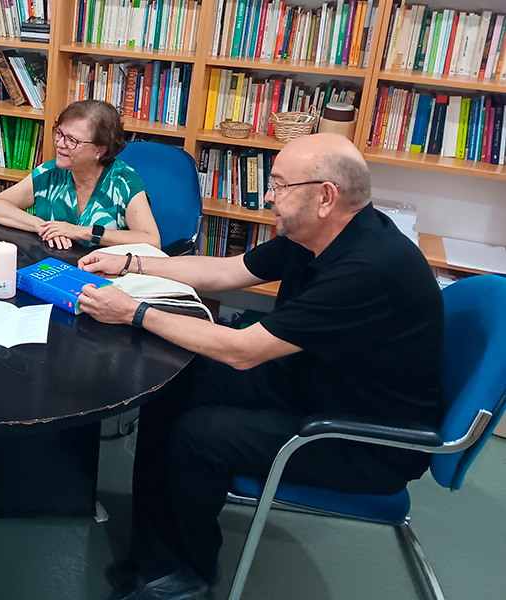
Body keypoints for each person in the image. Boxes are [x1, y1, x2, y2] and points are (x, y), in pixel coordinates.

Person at [77, 133, 443, 600]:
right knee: (169, 383)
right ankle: (156, 552)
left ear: (325, 196)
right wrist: (129, 263)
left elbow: (242, 350)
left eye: (279, 184)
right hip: (315, 381)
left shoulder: (367, 268)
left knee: (199, 434)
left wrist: (133, 312)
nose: (269, 196)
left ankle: (186, 576)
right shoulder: (317, 232)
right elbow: (227, 273)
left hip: (362, 435)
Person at [0, 100, 160, 250]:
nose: (60, 144)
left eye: (72, 140)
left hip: (107, 276)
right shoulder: (51, 172)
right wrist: (44, 227)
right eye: (59, 133)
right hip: (55, 266)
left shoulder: (123, 181)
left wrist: (81, 232)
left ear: (99, 150)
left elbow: (152, 241)